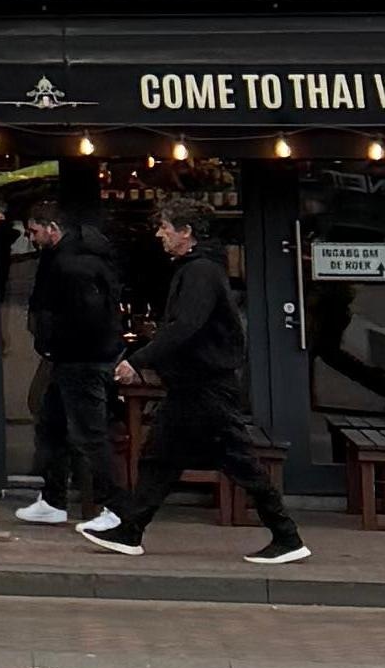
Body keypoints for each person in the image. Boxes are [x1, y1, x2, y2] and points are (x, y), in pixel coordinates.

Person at [79, 203, 307, 565]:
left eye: (166, 227)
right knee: (159, 458)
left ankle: (287, 534)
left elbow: (185, 327)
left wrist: (138, 360)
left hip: (206, 385)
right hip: (192, 385)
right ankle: (130, 530)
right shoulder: (198, 270)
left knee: (238, 459)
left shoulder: (200, 273)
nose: (159, 234)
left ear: (186, 232)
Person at [10, 199, 122, 529]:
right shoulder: (78, 258)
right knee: (52, 428)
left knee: (88, 434)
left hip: (79, 359)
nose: (31, 238)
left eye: (34, 231)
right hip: (73, 357)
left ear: (52, 228)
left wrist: (53, 341)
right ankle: (53, 499)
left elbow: (84, 315)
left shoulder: (71, 265)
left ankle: (112, 507)